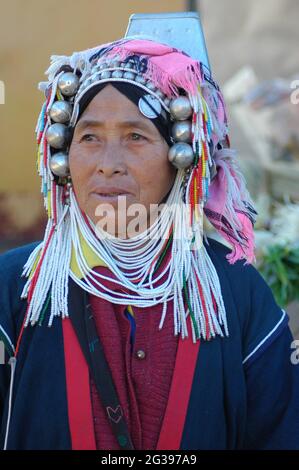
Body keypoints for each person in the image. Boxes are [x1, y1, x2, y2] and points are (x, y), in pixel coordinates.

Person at [0, 13, 298, 450]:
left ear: (182, 160)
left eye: (136, 137)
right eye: (88, 138)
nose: (108, 163)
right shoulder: (16, 287)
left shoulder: (233, 291)